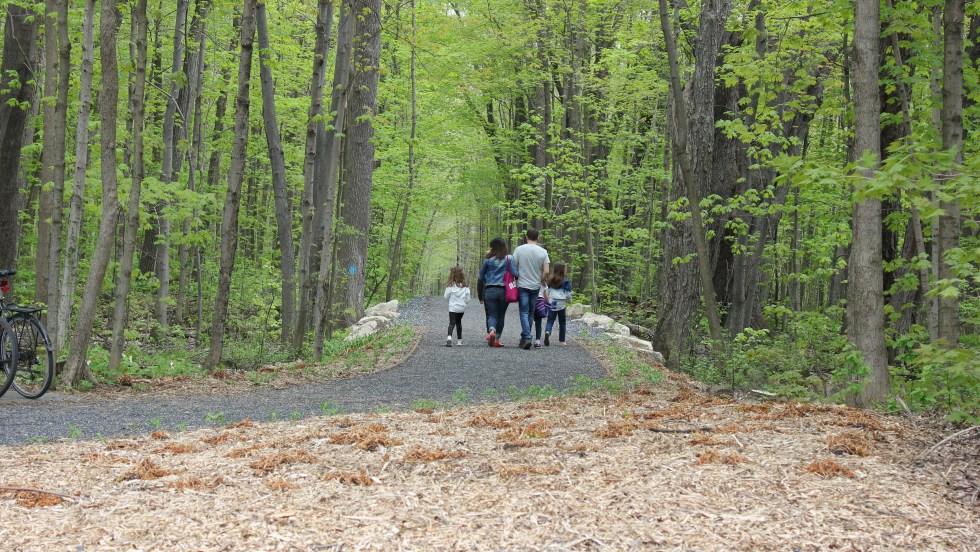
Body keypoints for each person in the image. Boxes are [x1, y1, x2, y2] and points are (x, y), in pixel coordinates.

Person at [513, 228, 550, 350]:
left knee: (524, 311)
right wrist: (541, 280)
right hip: (536, 286)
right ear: (538, 237)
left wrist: (517, 277)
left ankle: (527, 337)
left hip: (522, 284)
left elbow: (514, 266)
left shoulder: (519, 249)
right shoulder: (543, 252)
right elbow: (546, 271)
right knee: (530, 312)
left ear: (526, 237)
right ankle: (525, 338)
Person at [478, 237, 517, 347]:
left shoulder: (487, 260)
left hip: (490, 290)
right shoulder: (509, 258)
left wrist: (480, 294)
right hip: (504, 291)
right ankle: (497, 339)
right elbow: (516, 274)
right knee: (501, 315)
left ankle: (491, 330)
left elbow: (481, 277)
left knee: (492, 315)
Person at [544, 262, 572, 346]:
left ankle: (548, 331)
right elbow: (568, 294)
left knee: (550, 320)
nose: (566, 270)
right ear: (562, 270)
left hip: (552, 302)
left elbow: (547, 291)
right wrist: (569, 301)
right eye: (565, 268)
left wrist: (547, 300)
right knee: (562, 322)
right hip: (562, 303)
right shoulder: (566, 281)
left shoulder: (550, 280)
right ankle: (562, 340)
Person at [444, 266, 470, 347]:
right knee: (458, 322)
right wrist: (464, 303)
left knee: (452, 322)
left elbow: (446, 297)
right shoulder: (465, 286)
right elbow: (468, 299)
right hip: (461, 308)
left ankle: (449, 337)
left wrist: (450, 301)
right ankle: (459, 340)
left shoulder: (450, 286)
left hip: (453, 308)